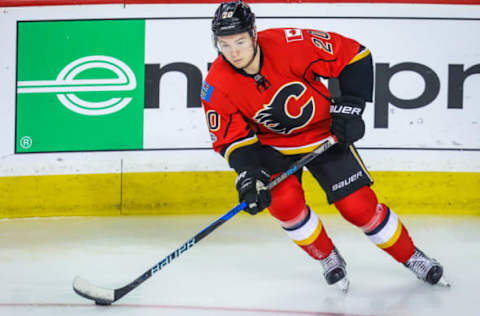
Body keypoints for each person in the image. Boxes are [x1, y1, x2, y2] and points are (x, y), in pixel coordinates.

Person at [200, 0, 449, 292]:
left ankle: (413, 257)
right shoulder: (216, 85)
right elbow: (233, 140)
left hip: (324, 135)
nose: (234, 52)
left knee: (358, 207)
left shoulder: (288, 43)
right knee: (284, 205)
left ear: (254, 33)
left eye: (240, 41)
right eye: (225, 44)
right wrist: (249, 173)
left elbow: (355, 56)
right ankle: (328, 257)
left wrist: (351, 107)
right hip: (273, 148)